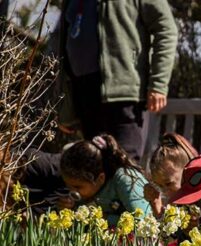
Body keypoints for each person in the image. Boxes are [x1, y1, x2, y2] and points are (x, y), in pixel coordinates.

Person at [59, 0, 178, 162]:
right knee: (93, 167)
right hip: (84, 93)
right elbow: (61, 43)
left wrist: (158, 84)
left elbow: (166, 29)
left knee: (125, 165)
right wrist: (65, 107)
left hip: (125, 95)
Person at [58, 134, 151, 225]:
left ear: (100, 179)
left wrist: (104, 218)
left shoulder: (125, 180)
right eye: (68, 185)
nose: (72, 192)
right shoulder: (83, 191)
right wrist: (68, 212)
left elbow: (142, 222)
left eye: (77, 187)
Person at [143, 133, 198, 217]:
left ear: (188, 171)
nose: (165, 193)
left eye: (168, 183)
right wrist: (156, 208)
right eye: (160, 186)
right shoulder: (174, 203)